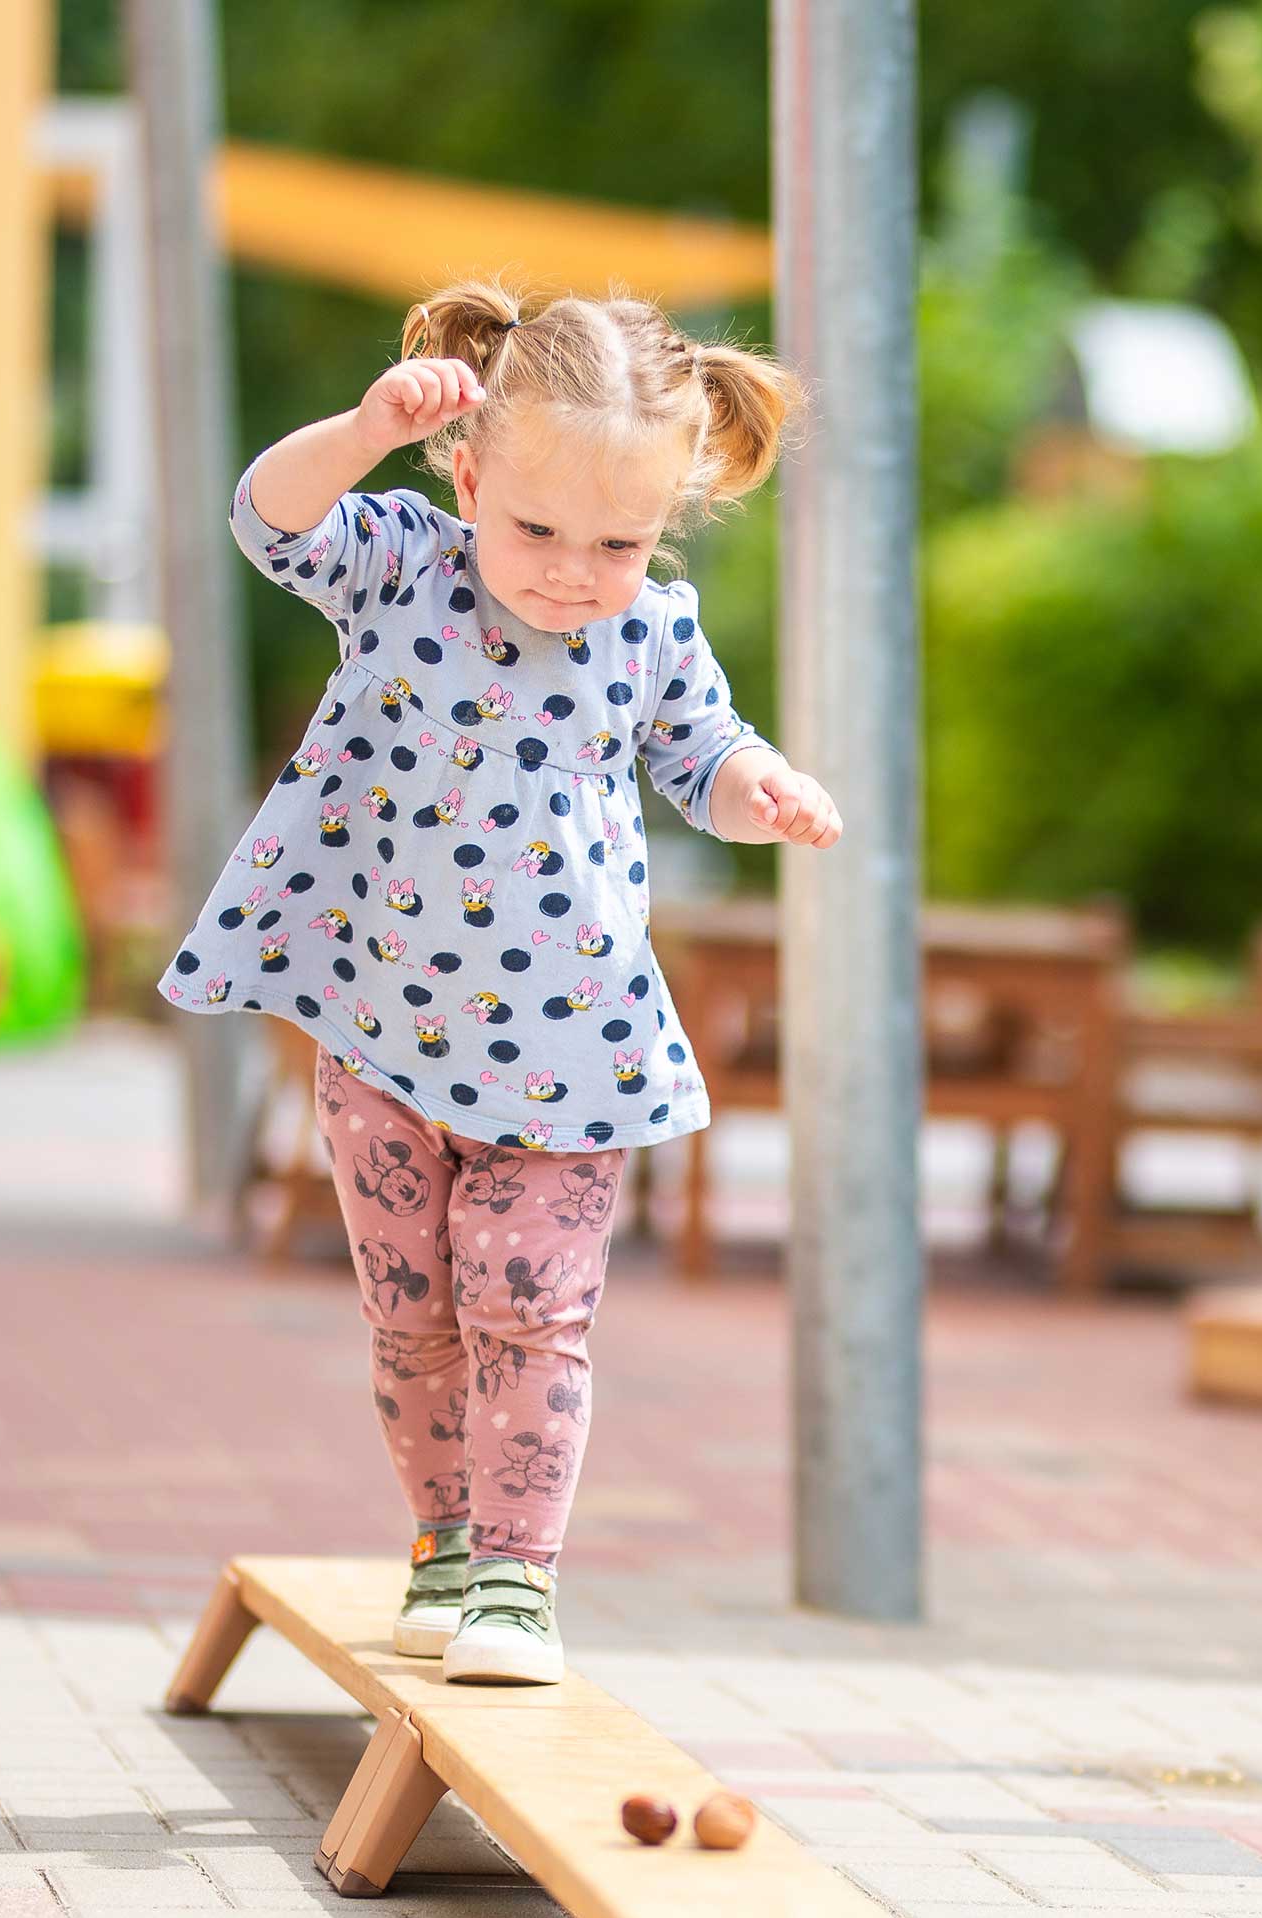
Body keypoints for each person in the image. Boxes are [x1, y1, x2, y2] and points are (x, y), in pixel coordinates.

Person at [159, 283, 839, 1682]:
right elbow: (265, 520)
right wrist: (360, 433)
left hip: (568, 1056)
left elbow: (702, 754)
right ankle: (445, 1541)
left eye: (620, 539)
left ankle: (519, 1583)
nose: (573, 569)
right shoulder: (405, 566)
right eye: (535, 527)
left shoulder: (650, 631)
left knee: (533, 1314)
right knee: (413, 1319)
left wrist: (759, 789)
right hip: (382, 1036)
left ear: (664, 526)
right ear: (470, 476)